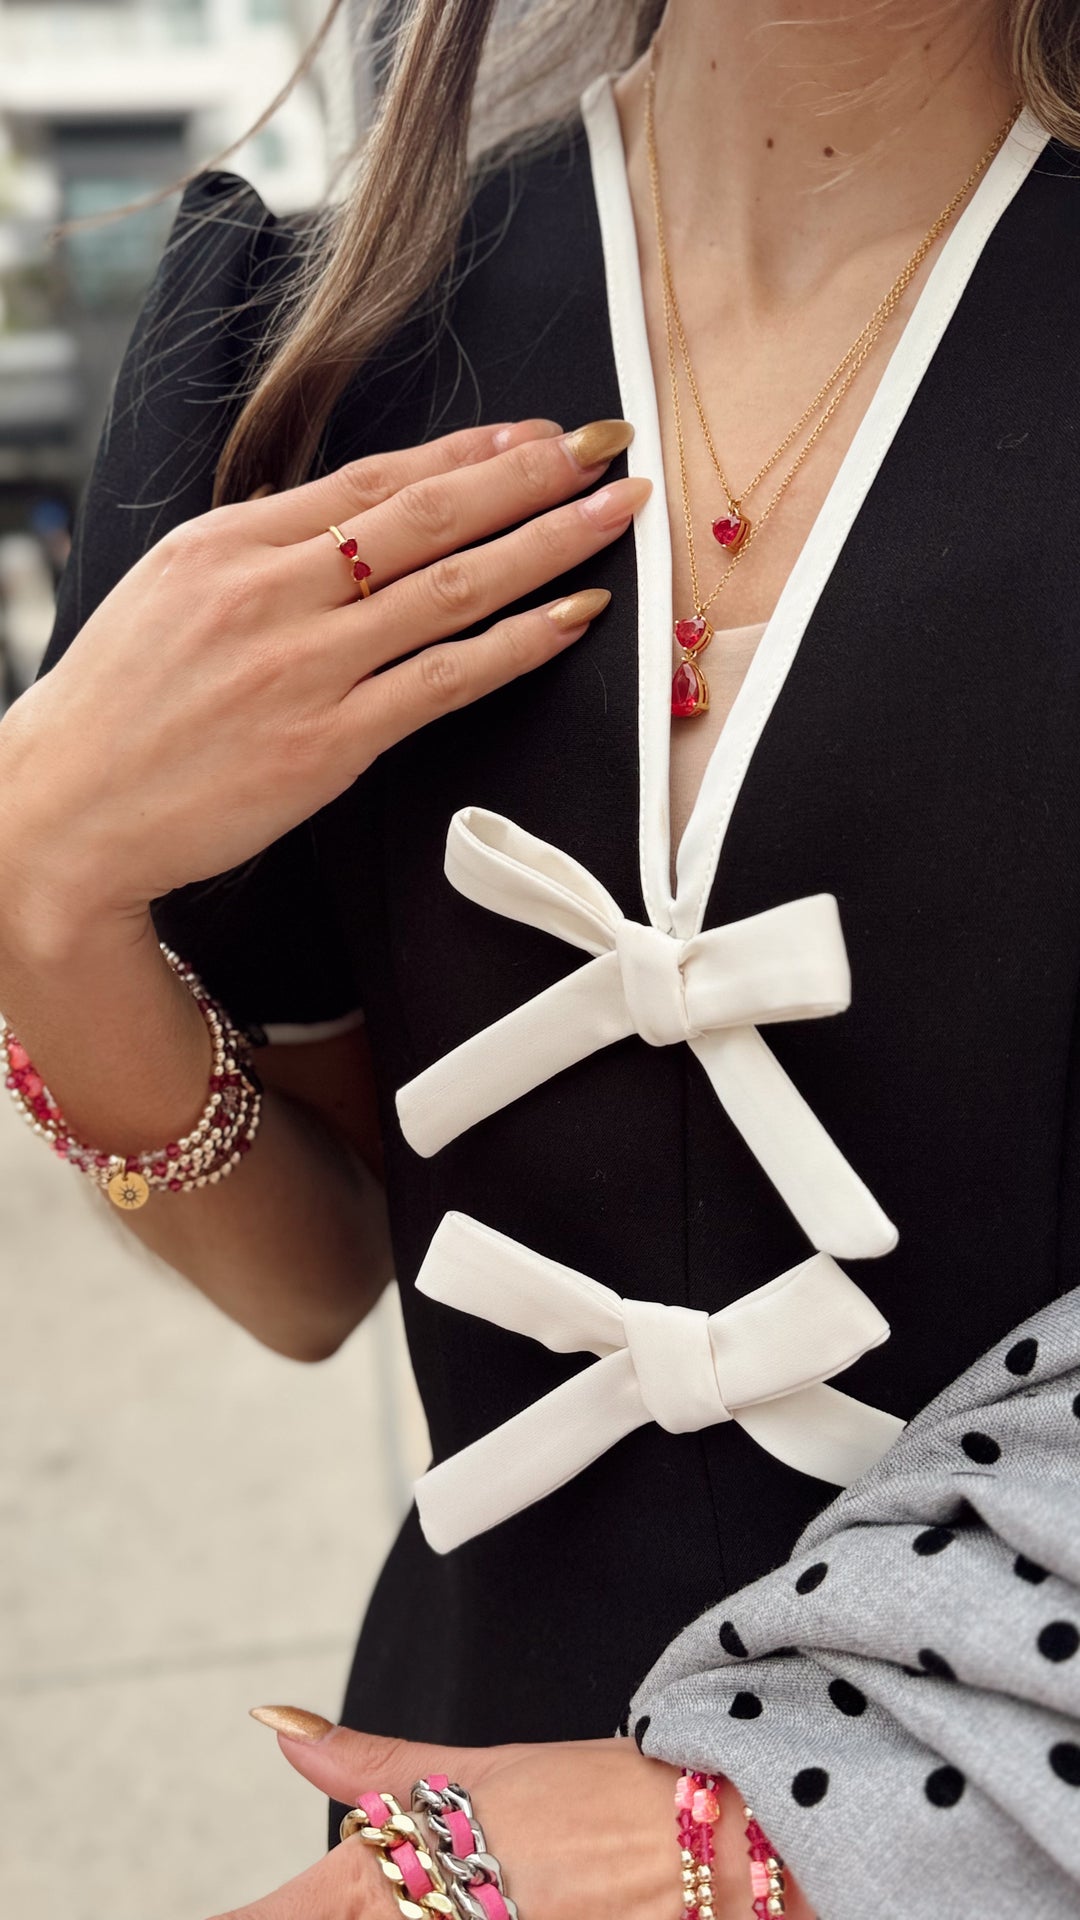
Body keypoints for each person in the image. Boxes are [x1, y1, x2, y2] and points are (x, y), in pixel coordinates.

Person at [1, 0, 1078, 1914]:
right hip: (451, 1817)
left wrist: (804, 1816)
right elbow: (316, 1273)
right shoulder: (314, 363)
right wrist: (40, 895)